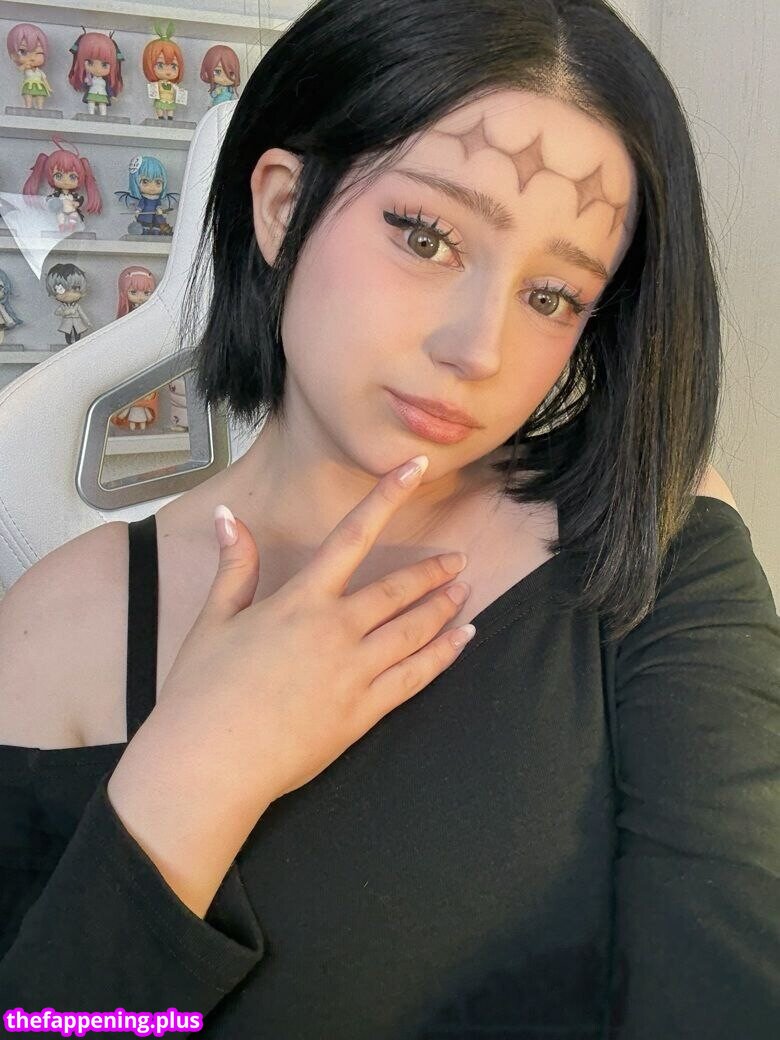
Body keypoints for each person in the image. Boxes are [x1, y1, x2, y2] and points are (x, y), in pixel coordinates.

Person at [0, 1, 778, 1037]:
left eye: (552, 295)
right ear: (283, 208)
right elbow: (50, 1019)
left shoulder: (650, 538)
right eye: (427, 236)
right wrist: (190, 776)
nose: (478, 348)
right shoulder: (61, 624)